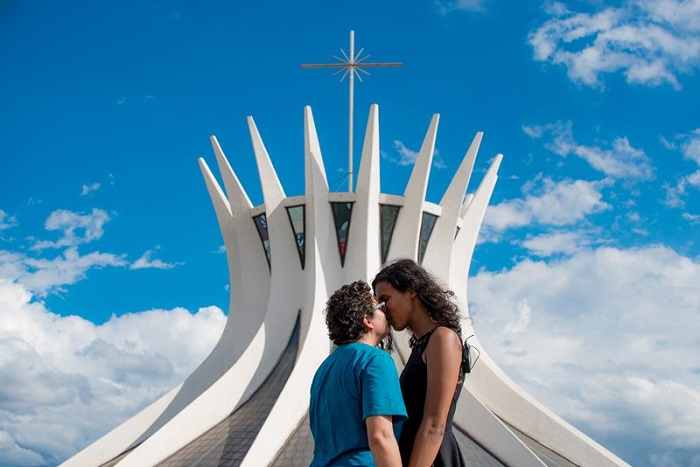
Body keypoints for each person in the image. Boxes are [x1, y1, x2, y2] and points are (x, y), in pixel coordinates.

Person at [372, 259, 468, 467]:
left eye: (385, 300)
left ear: (411, 291)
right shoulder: (422, 346)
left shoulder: (443, 338)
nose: (383, 310)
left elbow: (435, 425)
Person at [309, 280, 407, 467]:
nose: (386, 313)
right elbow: (381, 436)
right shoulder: (376, 360)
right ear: (367, 320)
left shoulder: (322, 371)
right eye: (381, 308)